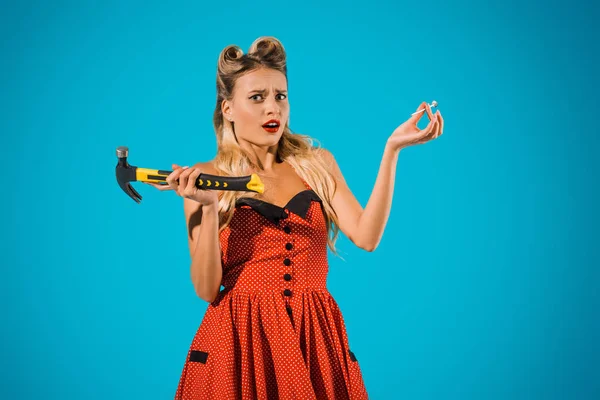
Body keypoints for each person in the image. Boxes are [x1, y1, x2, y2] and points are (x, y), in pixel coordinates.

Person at [146, 36, 443, 400]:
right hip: (240, 341)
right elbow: (207, 289)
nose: (273, 108)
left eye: (280, 96)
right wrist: (208, 206)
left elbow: (367, 237)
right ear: (228, 109)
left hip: (313, 334)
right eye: (257, 97)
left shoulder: (317, 165)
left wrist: (392, 150)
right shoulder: (205, 177)